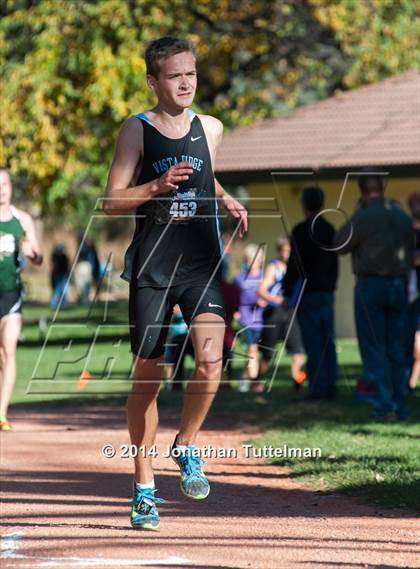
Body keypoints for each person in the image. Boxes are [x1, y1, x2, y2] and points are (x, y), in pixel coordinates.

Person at [103, 37, 247, 530]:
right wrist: (155, 187)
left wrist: (225, 197)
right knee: (150, 377)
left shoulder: (211, 127)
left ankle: (185, 444)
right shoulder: (137, 131)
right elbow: (111, 202)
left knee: (211, 361)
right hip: (153, 268)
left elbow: (203, 176)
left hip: (200, 263)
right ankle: (144, 485)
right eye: (173, 75)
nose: (185, 82)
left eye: (191, 73)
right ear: (153, 81)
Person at [335, 168, 414, 420]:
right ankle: (400, 404)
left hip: (371, 286)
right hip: (398, 286)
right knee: (397, 347)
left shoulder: (364, 216)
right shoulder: (402, 216)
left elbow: (338, 243)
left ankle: (384, 404)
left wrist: (357, 214)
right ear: (382, 188)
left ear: (361, 191)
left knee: (374, 346)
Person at [283, 187, 338, 400]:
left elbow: (294, 264)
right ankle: (330, 385)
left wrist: (287, 290)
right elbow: (334, 262)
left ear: (304, 204)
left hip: (308, 293)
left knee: (313, 341)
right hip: (326, 291)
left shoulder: (300, 230)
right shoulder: (329, 229)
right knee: (327, 339)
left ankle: (317, 387)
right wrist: (332, 285)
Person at [0, 169, 43, 431]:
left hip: (11, 295)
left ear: (10, 187)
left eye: (4, 184)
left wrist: (33, 253)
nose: (1, 189)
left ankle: (1, 413)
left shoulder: (22, 219)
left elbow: (39, 257)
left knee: (8, 350)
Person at [256, 237, 306, 393]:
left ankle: (297, 382)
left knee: (298, 353)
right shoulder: (274, 268)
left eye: (290, 251)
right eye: (284, 251)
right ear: (279, 251)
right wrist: (277, 299)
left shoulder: (296, 268)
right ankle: (257, 380)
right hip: (275, 313)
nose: (287, 254)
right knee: (267, 354)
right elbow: (261, 290)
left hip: (291, 313)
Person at [233, 244, 265, 392]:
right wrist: (234, 310)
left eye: (254, 260)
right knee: (252, 349)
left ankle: (244, 379)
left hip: (262, 319)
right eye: (248, 260)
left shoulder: (264, 277)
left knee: (255, 352)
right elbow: (232, 297)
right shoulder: (240, 278)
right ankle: (255, 383)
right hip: (246, 319)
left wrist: (265, 300)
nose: (251, 263)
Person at [406, 192, 420, 391]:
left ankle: (411, 382)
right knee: (413, 344)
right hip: (411, 292)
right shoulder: (406, 231)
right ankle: (410, 382)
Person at [50, 243, 70, 309]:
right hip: (58, 275)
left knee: (63, 290)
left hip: (63, 275)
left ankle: (62, 304)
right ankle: (54, 305)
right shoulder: (56, 256)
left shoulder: (62, 256)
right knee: (57, 290)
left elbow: (67, 266)